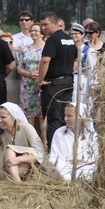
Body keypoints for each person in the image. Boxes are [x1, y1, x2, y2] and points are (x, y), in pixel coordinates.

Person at [37, 12, 77, 148]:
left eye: (46, 24)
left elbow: (45, 60)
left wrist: (40, 80)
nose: (43, 27)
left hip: (54, 84)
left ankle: (55, 150)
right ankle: (66, 147)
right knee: (65, 117)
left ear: (55, 23)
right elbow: (75, 60)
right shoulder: (69, 39)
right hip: (67, 82)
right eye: (41, 25)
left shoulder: (52, 40)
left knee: (54, 118)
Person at [0, 102, 44, 182]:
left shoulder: (26, 128)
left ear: (13, 117)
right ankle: (17, 181)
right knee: (9, 150)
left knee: (25, 153)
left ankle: (14, 181)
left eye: (3, 117)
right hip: (6, 171)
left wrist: (19, 159)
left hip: (30, 171)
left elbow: (40, 153)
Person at [49, 103, 98, 181]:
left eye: (69, 116)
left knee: (92, 172)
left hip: (86, 170)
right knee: (59, 170)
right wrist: (71, 165)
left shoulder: (92, 135)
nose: (65, 119)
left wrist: (79, 164)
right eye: (65, 115)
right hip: (65, 170)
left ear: (81, 117)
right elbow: (55, 159)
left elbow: (94, 161)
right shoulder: (59, 133)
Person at [17, 23, 47, 144]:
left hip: (41, 85)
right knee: (29, 115)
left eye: (36, 31)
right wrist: (28, 74)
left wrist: (40, 74)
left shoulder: (47, 48)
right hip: (27, 85)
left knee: (42, 115)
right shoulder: (25, 48)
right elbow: (19, 68)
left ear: (42, 33)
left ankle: (45, 142)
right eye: (32, 31)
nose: (34, 33)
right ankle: (31, 142)